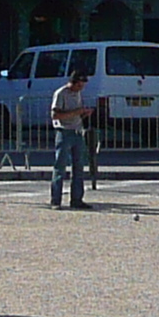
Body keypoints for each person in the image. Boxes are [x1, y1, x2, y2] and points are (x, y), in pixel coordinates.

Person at [47, 58, 92, 209]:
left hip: (77, 131)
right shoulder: (61, 93)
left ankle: (77, 199)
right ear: (73, 82)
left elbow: (76, 113)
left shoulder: (78, 94)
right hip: (64, 132)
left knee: (79, 167)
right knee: (60, 167)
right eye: (79, 85)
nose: (81, 88)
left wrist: (84, 114)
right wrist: (76, 112)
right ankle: (56, 200)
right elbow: (55, 115)